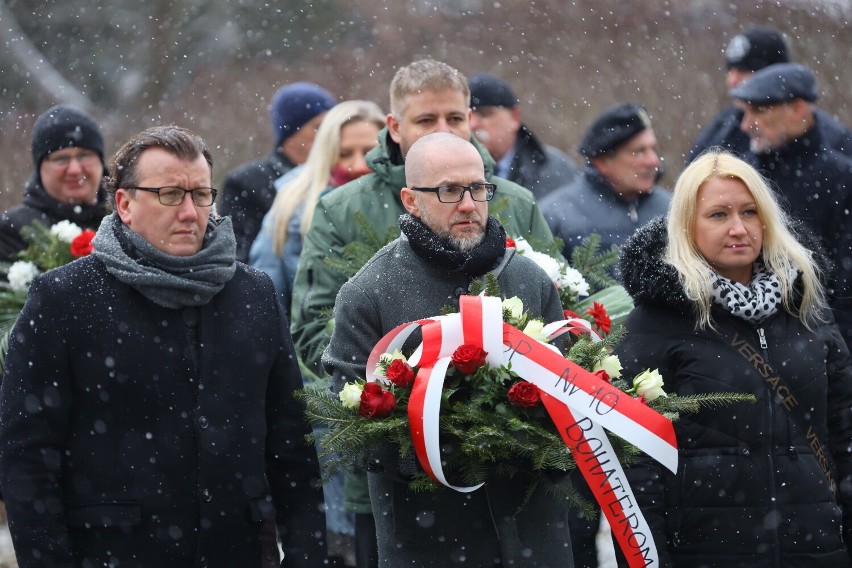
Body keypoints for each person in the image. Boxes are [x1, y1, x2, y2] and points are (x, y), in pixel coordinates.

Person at [0, 126, 326, 567]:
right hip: (113, 550)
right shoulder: (64, 298)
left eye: (201, 194)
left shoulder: (253, 293)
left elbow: (291, 446)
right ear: (125, 204)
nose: (191, 212)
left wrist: (307, 554)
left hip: (238, 548)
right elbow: (28, 456)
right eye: (171, 194)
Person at [323, 132, 572, 567]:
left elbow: (571, 396)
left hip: (531, 535)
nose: (468, 204)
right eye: (448, 190)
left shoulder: (529, 280)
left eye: (477, 188)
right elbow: (347, 430)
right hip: (427, 540)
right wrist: (440, 441)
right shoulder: (368, 292)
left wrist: (524, 434)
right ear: (410, 200)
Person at [615, 150, 852, 567]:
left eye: (749, 212)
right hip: (706, 551)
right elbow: (634, 471)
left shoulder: (809, 312)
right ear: (688, 225)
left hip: (816, 548)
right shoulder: (653, 323)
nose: (739, 229)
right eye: (719, 215)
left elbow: (844, 433)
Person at [730, 62, 852, 349]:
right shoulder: (743, 175)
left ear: (798, 109)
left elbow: (846, 287)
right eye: (745, 112)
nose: (745, 125)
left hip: (819, 346)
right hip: (743, 345)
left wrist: (834, 357)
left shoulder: (841, 180)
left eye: (758, 111)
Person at [249, 100, 385, 317]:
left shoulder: (407, 202)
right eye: (345, 153)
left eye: (369, 152)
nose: (359, 165)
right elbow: (266, 297)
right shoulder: (291, 205)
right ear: (326, 154)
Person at [686, 26, 851, 164]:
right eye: (730, 70)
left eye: (744, 70)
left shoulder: (836, 141)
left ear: (778, 73)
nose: (732, 80)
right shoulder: (724, 126)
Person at [219, 82, 335, 262]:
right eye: (318, 127)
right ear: (290, 134)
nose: (329, 134)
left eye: (332, 127)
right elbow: (238, 260)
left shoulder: (338, 177)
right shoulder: (245, 183)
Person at [541, 103, 670, 263]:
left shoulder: (674, 208)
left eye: (653, 149)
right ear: (602, 162)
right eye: (639, 151)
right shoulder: (556, 216)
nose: (654, 161)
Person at [0, 104, 110, 261]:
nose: (74, 169)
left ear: (101, 162)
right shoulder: (13, 230)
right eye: (61, 159)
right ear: (40, 169)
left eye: (84, 156)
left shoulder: (128, 220)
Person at [468, 72, 578, 199]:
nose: (473, 124)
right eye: (466, 116)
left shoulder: (557, 170)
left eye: (484, 114)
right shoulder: (449, 169)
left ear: (515, 117)